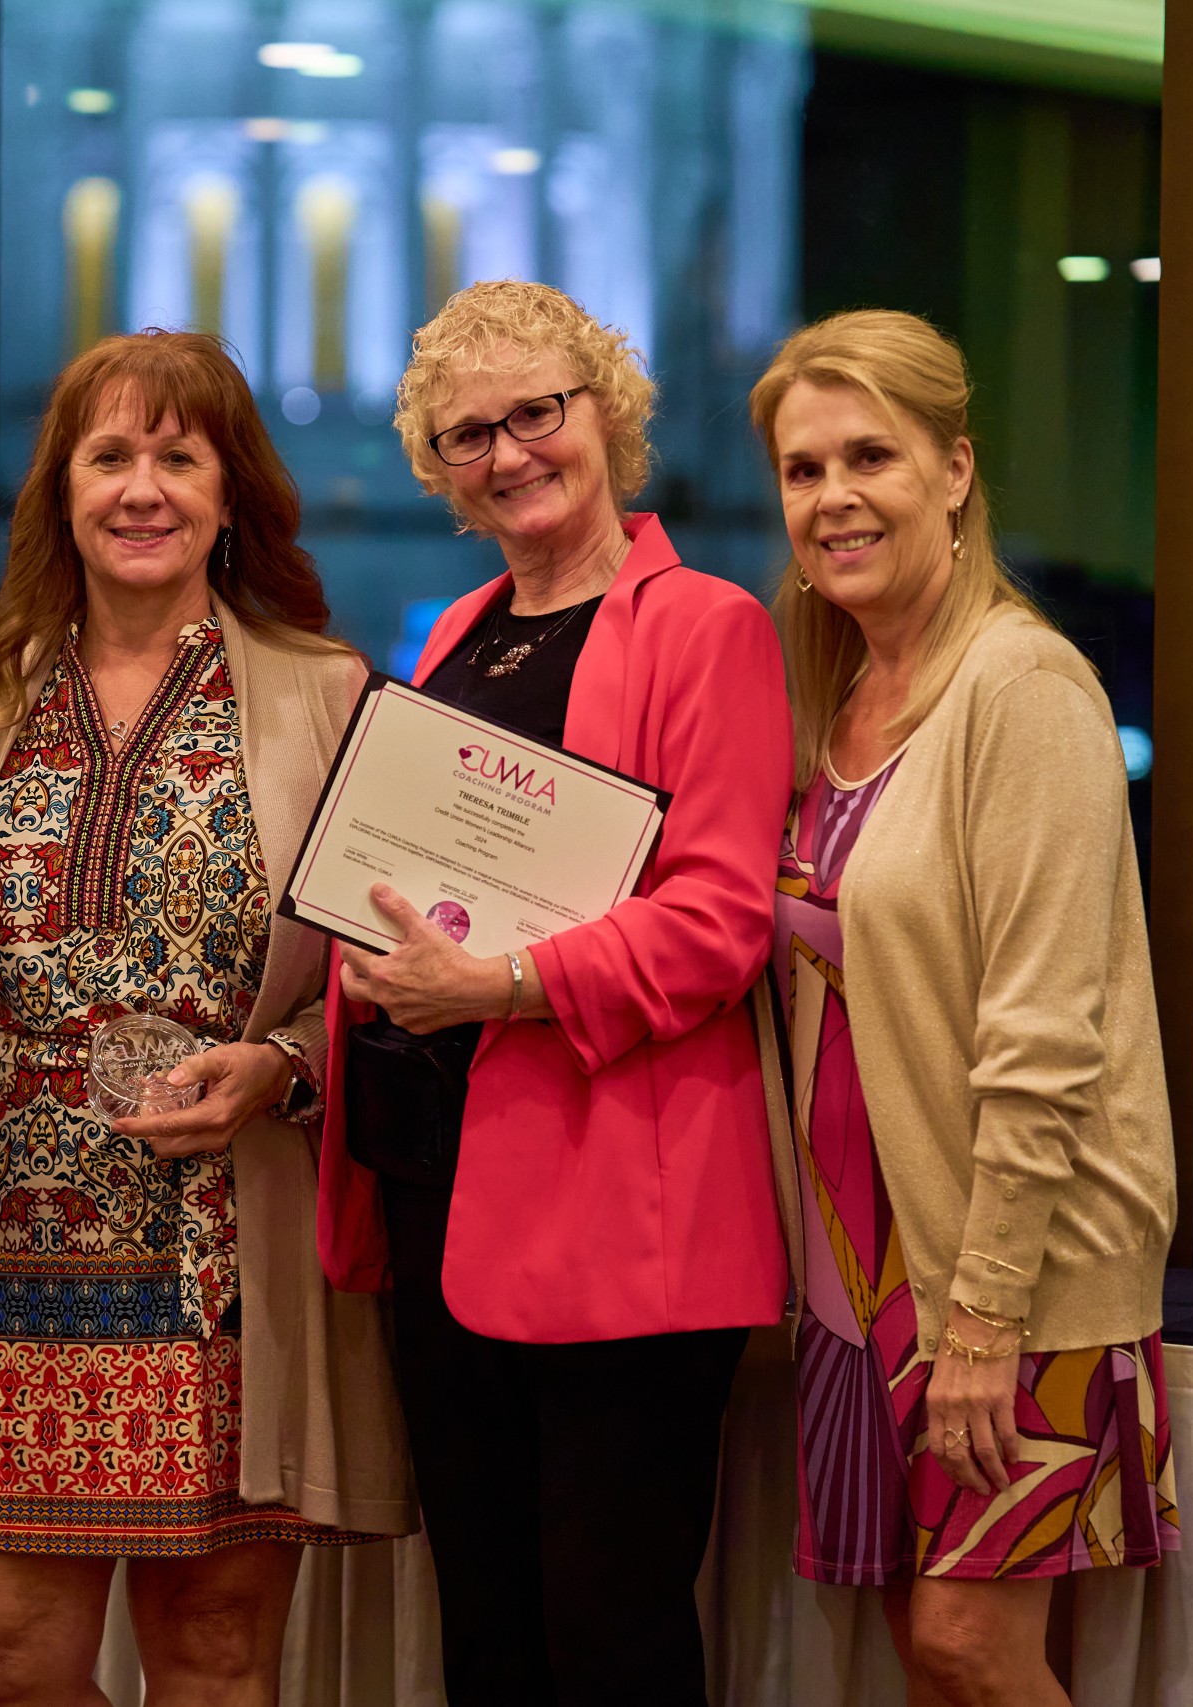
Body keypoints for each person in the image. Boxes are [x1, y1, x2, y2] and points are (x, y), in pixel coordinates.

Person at [0, 329, 413, 1703]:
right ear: (60, 490)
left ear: (229, 492)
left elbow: (396, 979)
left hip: (224, 1272)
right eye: (110, 455)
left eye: (179, 457)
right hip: (1, 1274)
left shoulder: (326, 696)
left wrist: (285, 1066)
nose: (143, 488)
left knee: (216, 1655)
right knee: (0, 1646)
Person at [314, 279, 794, 1705]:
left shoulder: (708, 627)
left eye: (538, 412)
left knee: (611, 1643)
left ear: (608, 414)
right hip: (442, 1190)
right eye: (469, 435)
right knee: (489, 1640)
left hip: (621, 1214)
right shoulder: (457, 630)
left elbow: (719, 924)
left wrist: (502, 985)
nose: (510, 453)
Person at [750, 309, 1178, 1707]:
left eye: (870, 456)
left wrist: (986, 1317)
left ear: (954, 470)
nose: (834, 497)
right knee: (916, 1652)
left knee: (966, 1645)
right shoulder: (834, 697)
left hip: (1007, 1267)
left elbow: (1046, 1041)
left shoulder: (1025, 686)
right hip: (857, 1267)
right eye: (804, 470)